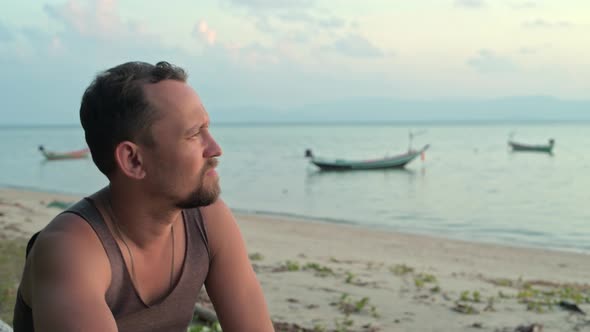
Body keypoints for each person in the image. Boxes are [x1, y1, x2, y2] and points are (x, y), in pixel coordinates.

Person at [13, 61, 274, 332]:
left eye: (207, 129)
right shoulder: (71, 249)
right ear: (133, 160)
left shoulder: (209, 220)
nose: (215, 149)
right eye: (195, 134)